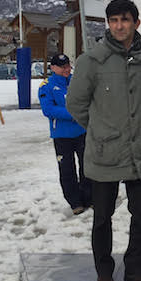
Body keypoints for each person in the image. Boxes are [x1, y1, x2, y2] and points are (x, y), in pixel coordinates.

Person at [67, 0, 141, 281]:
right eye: (114, 20)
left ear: (136, 23)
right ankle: (103, 273)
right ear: (108, 24)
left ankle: (134, 270)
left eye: (125, 20)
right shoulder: (91, 60)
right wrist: (99, 131)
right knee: (102, 218)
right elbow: (76, 104)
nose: (120, 26)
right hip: (105, 154)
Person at [38, 53, 91, 215]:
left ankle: (89, 198)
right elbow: (48, 109)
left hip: (82, 132)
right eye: (62, 67)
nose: (66, 70)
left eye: (68, 66)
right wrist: (73, 113)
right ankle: (75, 202)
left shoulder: (77, 80)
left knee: (87, 167)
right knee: (67, 170)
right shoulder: (46, 85)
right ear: (53, 68)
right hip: (62, 135)